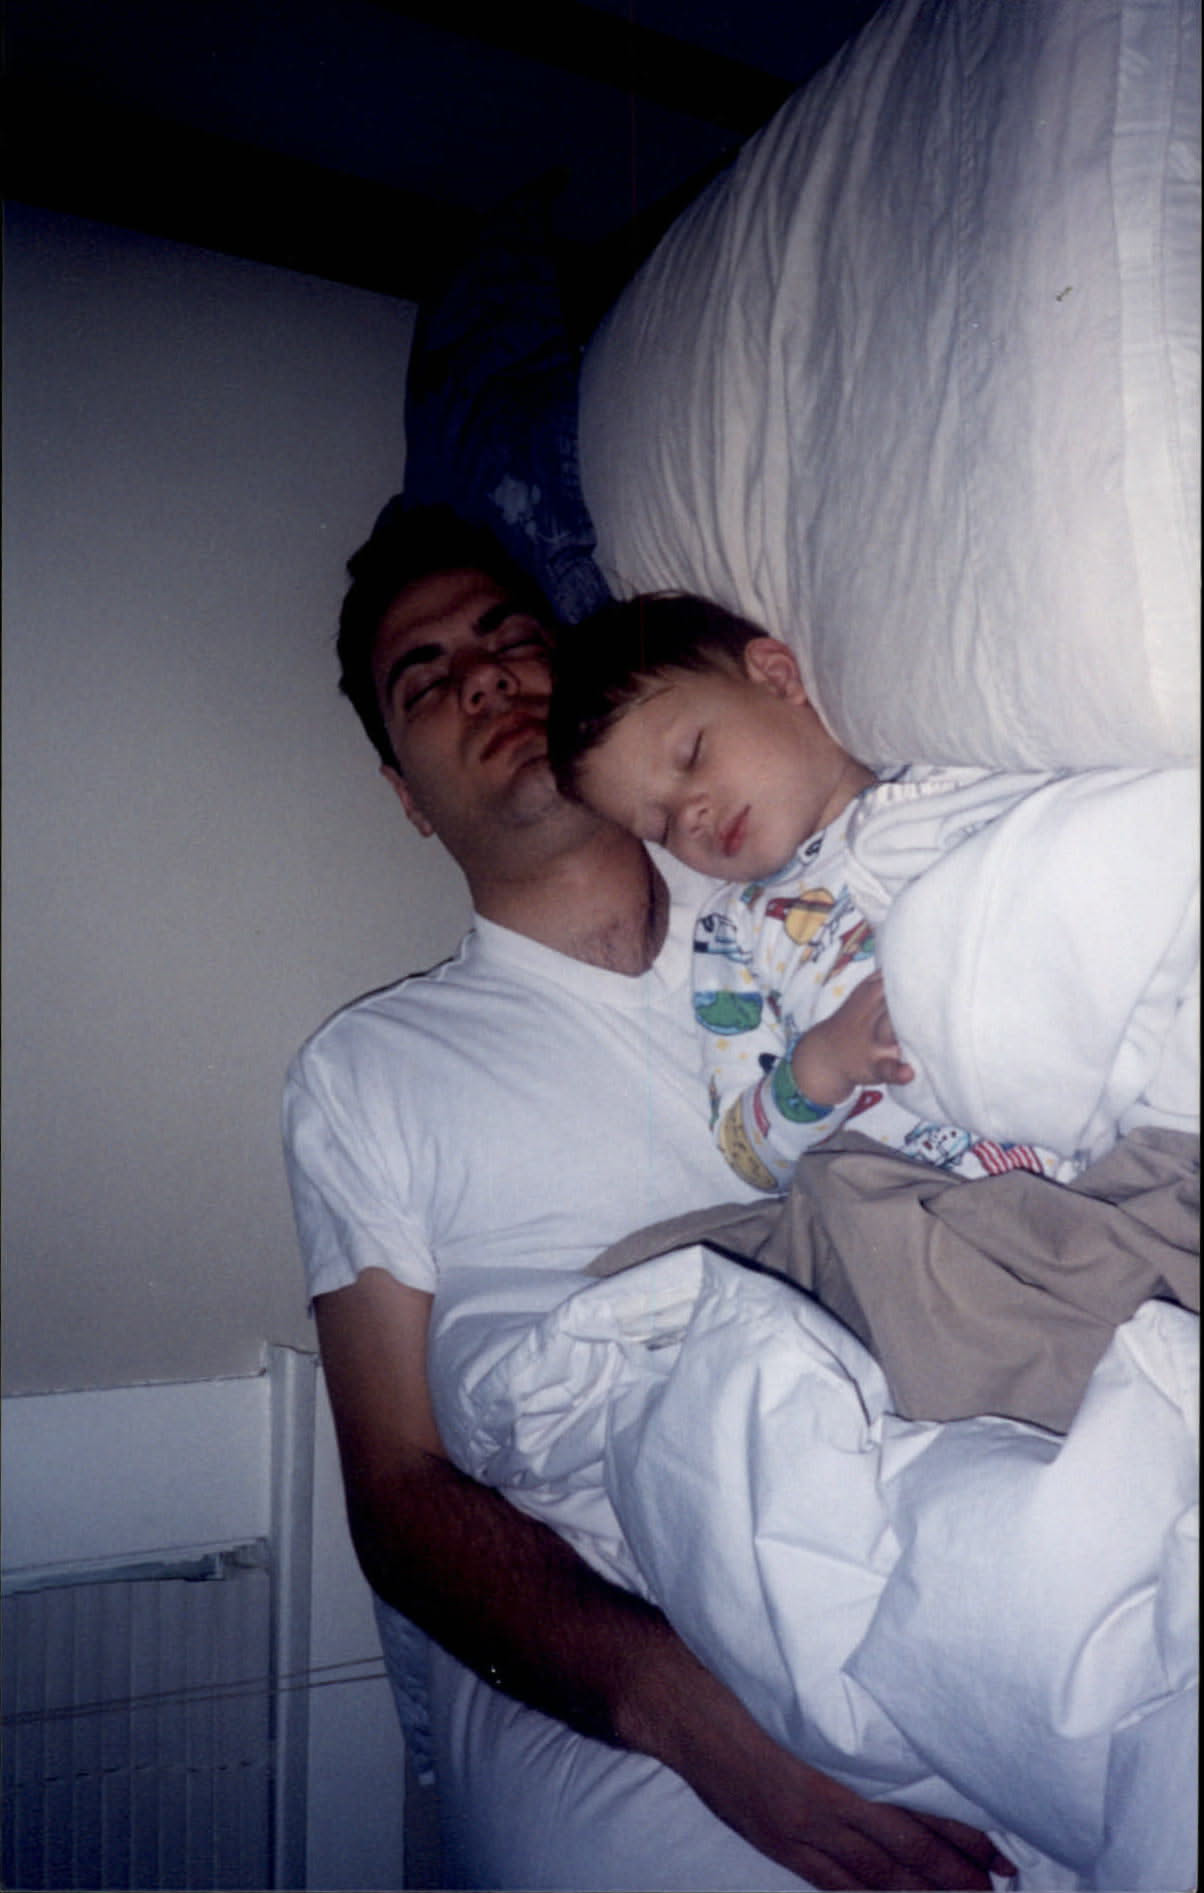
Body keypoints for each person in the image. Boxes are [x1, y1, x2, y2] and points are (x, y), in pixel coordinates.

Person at [282, 504, 1014, 1891]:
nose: (484, 679)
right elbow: (397, 1494)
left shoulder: (795, 887)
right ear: (404, 794)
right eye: (426, 682)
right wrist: (690, 1718)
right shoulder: (364, 1072)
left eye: (509, 636)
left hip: (925, 1476)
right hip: (608, 1636)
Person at [546, 592, 1072, 1195]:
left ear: (775, 677)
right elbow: (748, 1156)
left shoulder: (953, 782)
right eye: (660, 826)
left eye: (692, 756)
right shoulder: (733, 934)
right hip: (937, 1207)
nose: (690, 815)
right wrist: (822, 1065)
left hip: (1101, 1121)